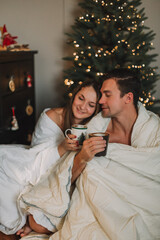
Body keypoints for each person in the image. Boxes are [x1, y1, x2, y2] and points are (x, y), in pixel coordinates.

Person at [20, 68, 160, 240]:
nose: (100, 101)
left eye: (107, 95)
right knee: (36, 222)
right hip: (95, 200)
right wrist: (82, 157)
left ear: (128, 98)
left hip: (140, 200)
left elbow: (153, 172)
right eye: (101, 95)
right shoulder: (96, 127)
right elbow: (67, 174)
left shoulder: (153, 130)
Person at [0, 79, 101, 237]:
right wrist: (62, 148)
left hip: (67, 178)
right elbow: (35, 156)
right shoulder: (51, 116)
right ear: (74, 96)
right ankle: (24, 219)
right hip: (39, 170)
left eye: (91, 104)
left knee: (40, 222)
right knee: (5, 168)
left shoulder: (95, 125)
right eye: (81, 98)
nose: (83, 107)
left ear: (96, 109)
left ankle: (31, 222)